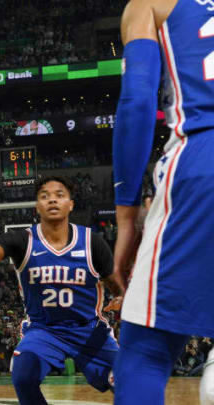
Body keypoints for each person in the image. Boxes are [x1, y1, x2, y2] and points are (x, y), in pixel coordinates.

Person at [0, 176, 123, 405]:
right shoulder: (21, 240)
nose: (52, 200)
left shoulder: (93, 242)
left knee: (128, 382)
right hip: (44, 331)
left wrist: (120, 296)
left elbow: (115, 284)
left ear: (71, 204)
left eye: (59, 195)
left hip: (88, 329)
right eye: (44, 196)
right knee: (23, 377)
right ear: (37, 206)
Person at [111, 1, 214, 405]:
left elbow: (137, 101)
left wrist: (126, 216)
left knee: (145, 350)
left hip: (202, 158)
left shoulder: (151, 3)